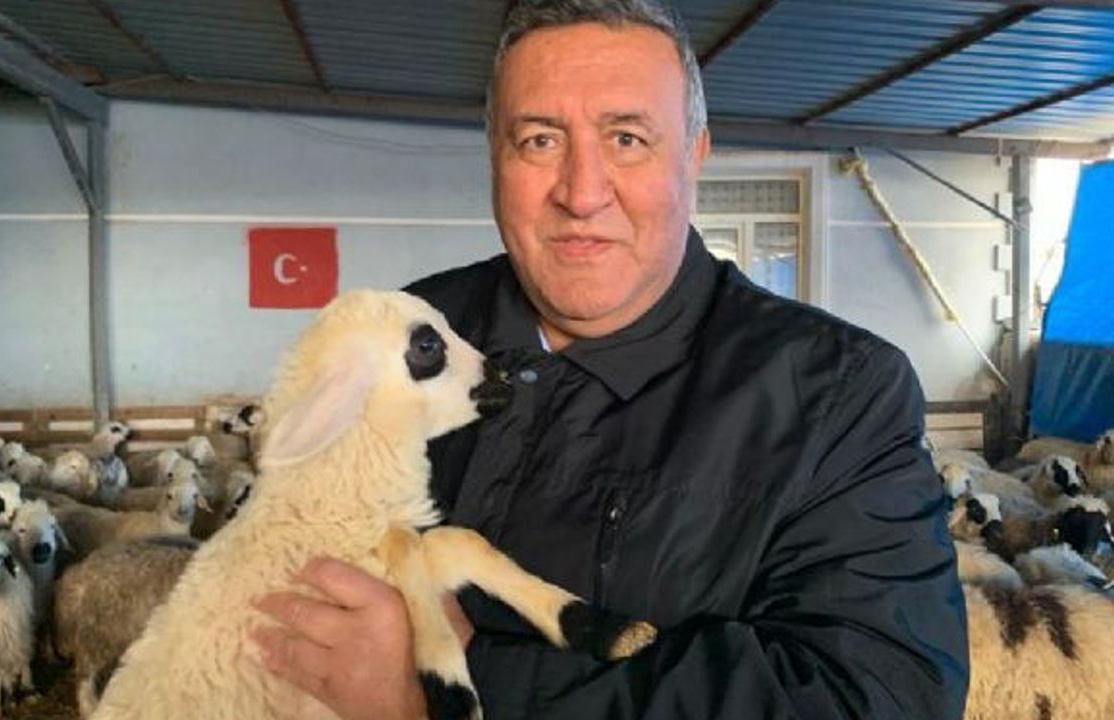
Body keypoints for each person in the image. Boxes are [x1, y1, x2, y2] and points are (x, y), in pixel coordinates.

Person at [252, 1, 970, 718]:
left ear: (694, 155)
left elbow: (876, 698)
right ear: (495, 156)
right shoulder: (404, 336)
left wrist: (446, 692)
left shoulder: (839, 395)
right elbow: (267, 572)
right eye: (539, 140)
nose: (582, 192)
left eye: (627, 139)